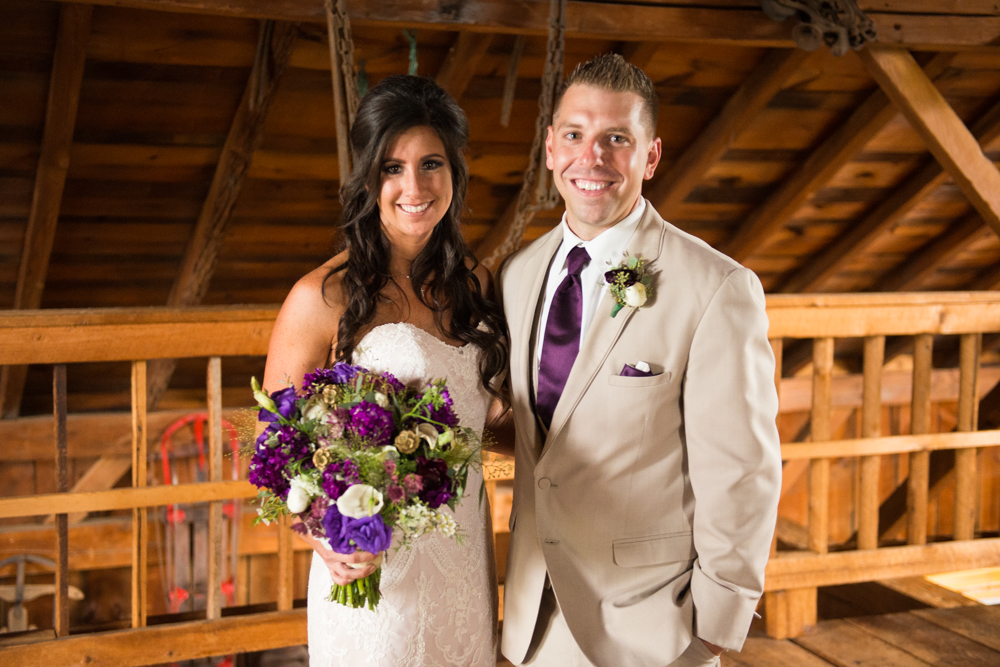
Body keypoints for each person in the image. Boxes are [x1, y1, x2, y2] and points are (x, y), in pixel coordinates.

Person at [498, 54, 782, 667]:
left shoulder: (717, 288)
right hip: (531, 618)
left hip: (655, 627)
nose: (590, 158)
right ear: (549, 148)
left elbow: (740, 471)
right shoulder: (517, 276)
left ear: (650, 156)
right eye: (574, 135)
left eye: (616, 140)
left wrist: (714, 626)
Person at [261, 74, 508, 666]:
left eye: (431, 164)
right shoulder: (322, 297)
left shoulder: (476, 285)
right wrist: (323, 538)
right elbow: (276, 448)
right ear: (368, 177)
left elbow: (491, 426)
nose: (414, 186)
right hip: (377, 576)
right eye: (393, 167)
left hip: (465, 564)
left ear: (455, 173)